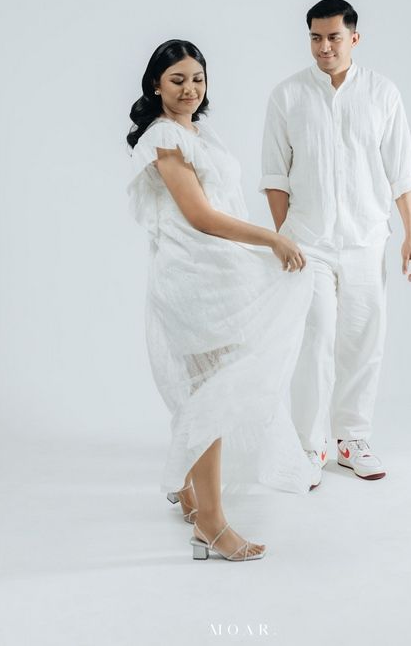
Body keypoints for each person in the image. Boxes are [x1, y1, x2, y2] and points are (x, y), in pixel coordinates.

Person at [126, 39, 314, 562]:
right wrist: (271, 239)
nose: (190, 89)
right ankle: (210, 524)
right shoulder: (164, 137)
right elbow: (201, 216)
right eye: (177, 80)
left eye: (197, 78)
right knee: (211, 396)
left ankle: (191, 493)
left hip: (216, 274)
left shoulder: (197, 131)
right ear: (156, 85)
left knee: (205, 393)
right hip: (193, 280)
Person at [259, 0, 411, 488]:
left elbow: (402, 171)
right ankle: (310, 446)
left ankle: (352, 439)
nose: (324, 47)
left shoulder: (382, 93)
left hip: (366, 239)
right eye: (316, 37)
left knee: (363, 340)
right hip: (307, 243)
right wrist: (286, 237)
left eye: (333, 37)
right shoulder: (287, 96)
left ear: (354, 38)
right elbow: (275, 175)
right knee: (314, 340)